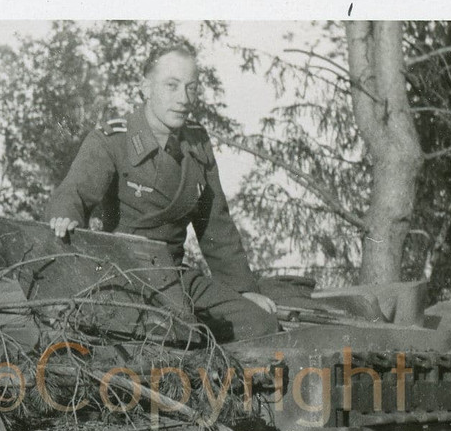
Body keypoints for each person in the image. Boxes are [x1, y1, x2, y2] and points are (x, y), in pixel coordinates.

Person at [44, 43, 279, 342]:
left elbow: (215, 226)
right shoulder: (113, 139)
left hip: (175, 275)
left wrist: (243, 289)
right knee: (178, 332)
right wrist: (65, 217)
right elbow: (74, 192)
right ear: (145, 88)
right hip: (125, 276)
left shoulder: (197, 143)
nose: (183, 99)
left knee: (260, 325)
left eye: (191, 88)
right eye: (171, 86)